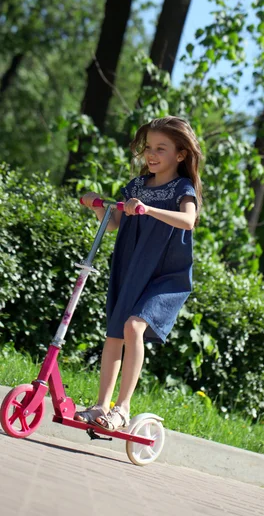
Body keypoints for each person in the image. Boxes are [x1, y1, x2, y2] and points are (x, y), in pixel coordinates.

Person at [74, 116, 203, 431]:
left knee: (133, 327)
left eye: (161, 148)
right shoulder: (136, 186)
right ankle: (101, 405)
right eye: (148, 147)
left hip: (164, 276)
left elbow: (188, 220)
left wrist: (148, 209)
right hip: (132, 267)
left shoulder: (182, 188)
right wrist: (97, 206)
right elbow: (116, 222)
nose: (152, 154)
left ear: (181, 155)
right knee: (115, 333)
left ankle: (122, 408)